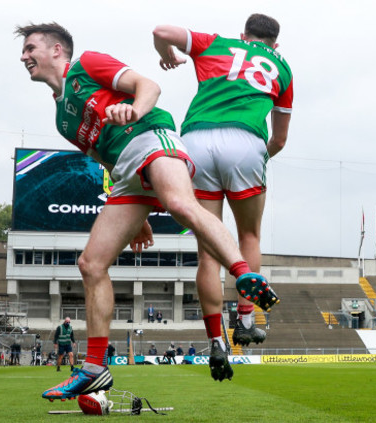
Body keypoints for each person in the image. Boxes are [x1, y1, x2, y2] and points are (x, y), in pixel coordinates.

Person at [15, 22, 277, 397]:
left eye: (30, 48)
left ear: (56, 50)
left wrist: (134, 111)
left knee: (180, 205)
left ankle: (244, 274)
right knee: (91, 263)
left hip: (152, 135)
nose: (24, 56)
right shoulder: (61, 119)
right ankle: (94, 369)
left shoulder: (87, 65)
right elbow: (103, 158)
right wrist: (135, 215)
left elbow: (150, 86)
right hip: (125, 172)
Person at [153, 14, 290, 350]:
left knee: (208, 252)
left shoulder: (216, 43)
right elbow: (280, 140)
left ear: (244, 36)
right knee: (248, 235)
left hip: (197, 140)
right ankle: (245, 320)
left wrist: (168, 54)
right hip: (246, 143)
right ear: (275, 45)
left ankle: (216, 339)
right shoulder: (282, 68)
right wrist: (253, 160)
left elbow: (160, 31)